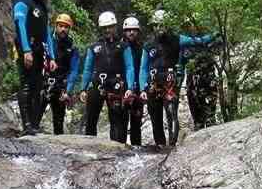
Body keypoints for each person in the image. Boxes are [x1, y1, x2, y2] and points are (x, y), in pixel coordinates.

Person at [141, 11, 216, 145]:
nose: (159, 28)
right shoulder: (148, 45)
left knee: (171, 113)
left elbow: (197, 41)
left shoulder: (177, 39)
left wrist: (214, 35)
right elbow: (143, 68)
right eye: (157, 25)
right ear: (153, 26)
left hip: (170, 82)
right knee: (155, 116)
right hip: (152, 83)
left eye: (162, 25)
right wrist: (142, 88)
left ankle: (172, 144)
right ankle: (160, 145)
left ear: (167, 25)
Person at [12, 0, 58, 135]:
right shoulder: (22, 4)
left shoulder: (42, 6)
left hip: (39, 50)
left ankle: (33, 124)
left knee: (37, 86)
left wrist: (51, 57)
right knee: (26, 84)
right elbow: (21, 27)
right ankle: (26, 125)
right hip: (26, 49)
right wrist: (26, 50)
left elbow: (47, 33)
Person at [80, 11, 129, 143]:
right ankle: (90, 148)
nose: (108, 30)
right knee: (91, 119)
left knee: (116, 120)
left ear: (115, 27)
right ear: (101, 29)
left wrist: (129, 87)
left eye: (110, 27)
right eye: (105, 28)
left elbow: (129, 67)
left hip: (116, 86)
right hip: (98, 85)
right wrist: (83, 89)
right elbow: (88, 68)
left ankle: (117, 150)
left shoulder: (123, 46)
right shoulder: (94, 47)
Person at [38, 13, 81, 135]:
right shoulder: (46, 41)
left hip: (60, 86)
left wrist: (68, 91)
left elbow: (74, 70)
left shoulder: (72, 47)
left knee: (58, 123)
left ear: (69, 29)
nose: (63, 29)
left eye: (66, 27)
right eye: (60, 26)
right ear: (56, 26)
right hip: (44, 83)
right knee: (35, 117)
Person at [121, 16, 146, 146]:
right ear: (124, 31)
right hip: (120, 89)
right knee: (121, 123)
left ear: (138, 31)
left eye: (134, 30)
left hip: (137, 89)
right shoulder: (119, 47)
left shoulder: (142, 49)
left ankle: (137, 149)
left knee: (136, 122)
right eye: (128, 30)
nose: (131, 32)